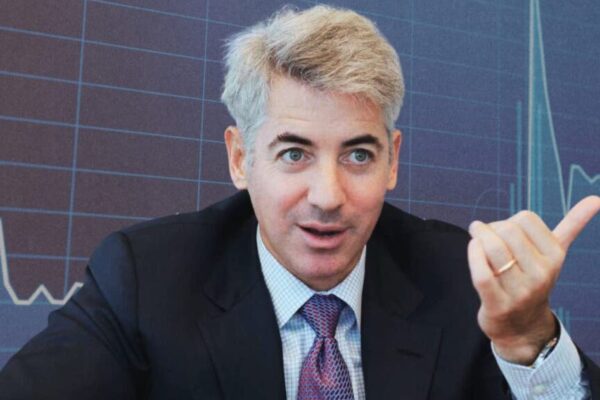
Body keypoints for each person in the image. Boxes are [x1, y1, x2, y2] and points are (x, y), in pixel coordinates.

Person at [0, 5, 598, 400]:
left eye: (358, 155)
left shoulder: (464, 281)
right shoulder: (145, 281)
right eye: (294, 153)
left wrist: (528, 342)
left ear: (393, 160)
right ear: (241, 158)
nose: (328, 196)